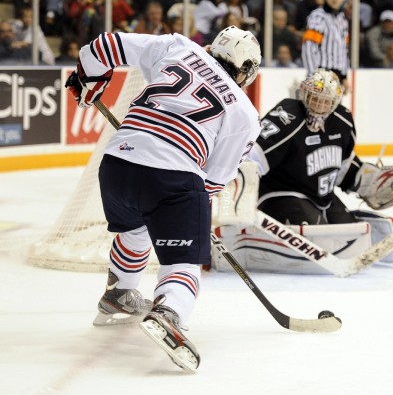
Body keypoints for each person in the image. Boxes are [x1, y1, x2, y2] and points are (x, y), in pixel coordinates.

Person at [65, 25, 262, 372]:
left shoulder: (178, 47)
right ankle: (169, 310)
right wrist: (196, 219)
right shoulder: (244, 113)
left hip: (116, 164)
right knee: (184, 262)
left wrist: (88, 77)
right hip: (171, 175)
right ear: (246, 69)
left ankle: (118, 294)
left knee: (136, 230)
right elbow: (214, 179)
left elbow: (104, 45)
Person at [247, 69, 393, 255]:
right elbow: (252, 156)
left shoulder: (343, 120)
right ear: (304, 93)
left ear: (335, 101)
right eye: (314, 97)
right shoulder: (288, 116)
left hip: (321, 198)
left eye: (326, 100)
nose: (319, 104)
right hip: (280, 194)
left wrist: (364, 180)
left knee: (351, 239)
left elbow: (342, 165)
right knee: (321, 237)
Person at [302, 0, 350, 94]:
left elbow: (344, 50)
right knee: (318, 109)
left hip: (337, 77)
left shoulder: (342, 19)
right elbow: (308, 48)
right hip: (321, 74)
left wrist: (344, 76)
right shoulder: (318, 16)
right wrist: (313, 76)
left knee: (334, 110)